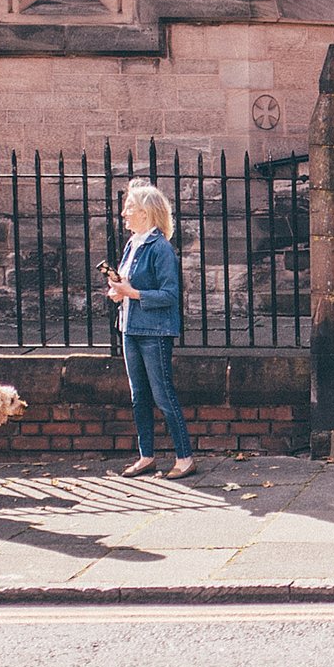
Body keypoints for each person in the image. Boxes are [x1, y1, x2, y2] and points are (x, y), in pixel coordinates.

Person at [106, 181, 195, 478]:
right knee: (138, 395)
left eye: (129, 208)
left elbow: (170, 295)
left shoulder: (161, 248)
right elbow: (131, 285)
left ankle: (184, 458)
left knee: (162, 395)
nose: (123, 213)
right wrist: (119, 291)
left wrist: (132, 294)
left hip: (155, 332)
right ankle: (147, 456)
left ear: (145, 213)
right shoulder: (132, 244)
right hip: (130, 328)